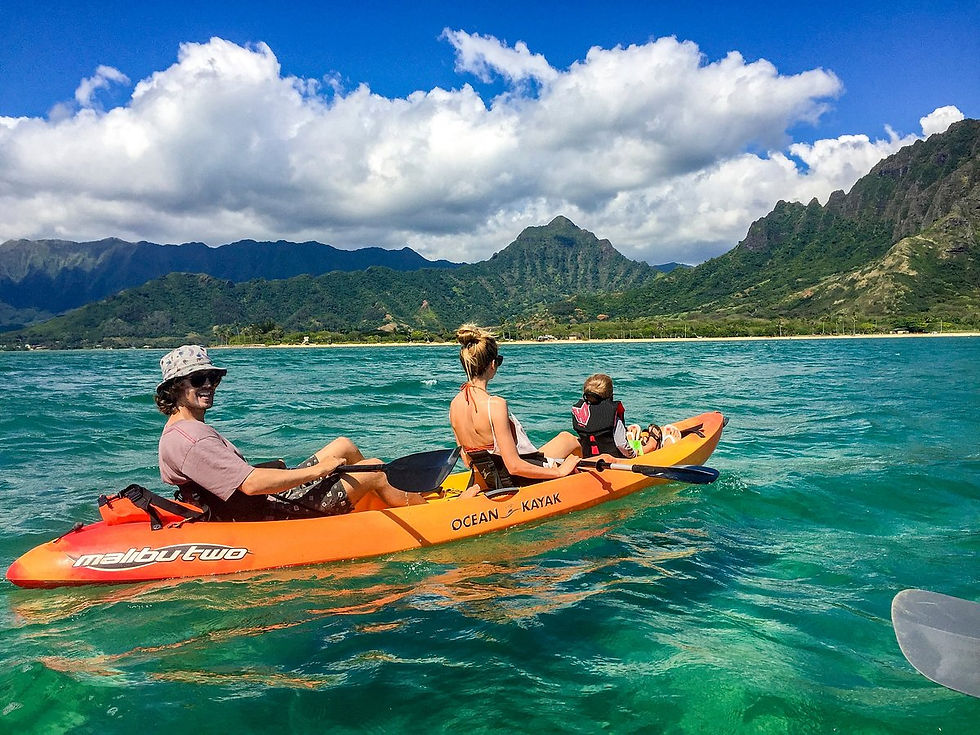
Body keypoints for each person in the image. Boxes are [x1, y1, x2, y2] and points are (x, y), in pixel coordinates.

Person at [154, 345, 423, 521]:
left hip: (262, 501)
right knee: (374, 468)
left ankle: (373, 500)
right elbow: (251, 485)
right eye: (198, 380)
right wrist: (320, 471)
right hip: (270, 513)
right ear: (174, 387)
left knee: (343, 445)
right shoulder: (190, 439)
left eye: (213, 378)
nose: (209, 385)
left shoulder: (182, 429)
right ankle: (427, 514)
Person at [449, 325, 580, 496]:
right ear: (493, 364)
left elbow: (467, 460)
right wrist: (559, 472)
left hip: (492, 479)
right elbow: (514, 466)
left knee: (566, 438)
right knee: (573, 444)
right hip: (514, 482)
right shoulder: (494, 404)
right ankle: (590, 482)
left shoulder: (455, 405)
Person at [571, 373, 678, 459]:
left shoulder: (582, 416)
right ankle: (652, 445)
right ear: (610, 396)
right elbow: (621, 445)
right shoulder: (612, 418)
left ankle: (633, 440)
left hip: (590, 457)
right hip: (615, 460)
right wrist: (633, 455)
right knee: (634, 447)